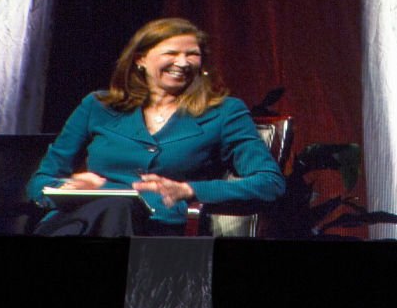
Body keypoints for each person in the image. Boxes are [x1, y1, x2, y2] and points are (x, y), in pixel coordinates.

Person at [27, 17, 285, 236]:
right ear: (141, 59)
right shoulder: (97, 106)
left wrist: (188, 189)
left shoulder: (225, 112)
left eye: (192, 55)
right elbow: (40, 181)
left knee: (118, 211)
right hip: (80, 218)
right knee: (110, 210)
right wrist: (66, 188)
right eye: (172, 53)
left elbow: (268, 182)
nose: (183, 63)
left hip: (156, 227)